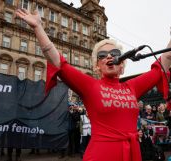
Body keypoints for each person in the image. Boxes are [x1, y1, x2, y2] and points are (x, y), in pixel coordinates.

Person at [15, 8, 171, 161]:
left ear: (122, 63)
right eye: (102, 55)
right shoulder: (90, 85)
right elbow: (58, 62)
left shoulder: (132, 86)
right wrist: (38, 28)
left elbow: (162, 66)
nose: (109, 56)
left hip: (131, 153)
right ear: (97, 65)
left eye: (115, 54)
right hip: (101, 154)